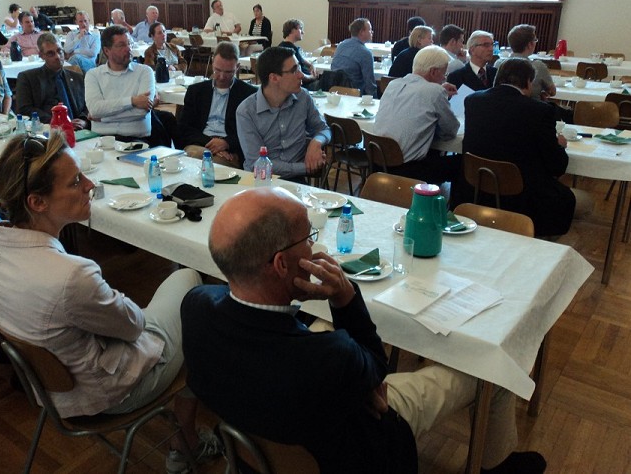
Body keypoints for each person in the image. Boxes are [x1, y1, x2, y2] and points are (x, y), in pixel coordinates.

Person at [181, 187, 548, 474]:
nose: (313, 245)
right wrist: (344, 296)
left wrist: (352, 375)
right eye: (308, 237)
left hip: (256, 443)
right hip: (362, 451)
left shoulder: (196, 304)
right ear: (280, 264)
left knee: (325, 331)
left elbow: (331, 359)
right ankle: (497, 465)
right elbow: (375, 366)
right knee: (492, 369)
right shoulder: (329, 358)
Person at [0, 132, 223, 473]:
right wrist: (110, 298)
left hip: (47, 388)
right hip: (105, 394)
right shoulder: (71, 276)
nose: (90, 185)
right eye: (76, 181)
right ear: (37, 202)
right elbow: (134, 326)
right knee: (194, 290)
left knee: (183, 299)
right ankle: (186, 445)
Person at [458, 58, 576, 237]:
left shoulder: (473, 100)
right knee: (564, 198)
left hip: (478, 187)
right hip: (523, 198)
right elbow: (557, 166)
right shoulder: (540, 111)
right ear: (528, 82)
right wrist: (559, 145)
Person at [236, 46, 330, 181]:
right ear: (274, 78)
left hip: (296, 181)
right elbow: (257, 164)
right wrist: (304, 167)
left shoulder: (303, 97)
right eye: (294, 70)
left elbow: (323, 128)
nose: (301, 75)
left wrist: (316, 142)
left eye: (299, 68)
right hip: (261, 181)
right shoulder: (246, 111)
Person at [372, 45, 460, 184]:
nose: (444, 78)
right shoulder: (435, 92)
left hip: (377, 163)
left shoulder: (393, 84)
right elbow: (450, 131)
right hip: (408, 170)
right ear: (433, 71)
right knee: (462, 164)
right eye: (444, 74)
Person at [85, 25, 173, 146]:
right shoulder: (93, 75)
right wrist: (132, 101)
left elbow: (141, 112)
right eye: (121, 45)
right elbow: (95, 109)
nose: (128, 49)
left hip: (137, 139)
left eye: (129, 43)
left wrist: (103, 118)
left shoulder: (144, 72)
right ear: (106, 51)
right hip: (102, 140)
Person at [178, 42, 257, 168]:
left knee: (210, 164)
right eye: (217, 70)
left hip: (231, 150)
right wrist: (212, 144)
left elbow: (252, 132)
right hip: (200, 144)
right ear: (212, 62)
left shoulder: (248, 94)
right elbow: (185, 128)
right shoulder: (196, 91)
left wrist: (227, 143)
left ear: (237, 67)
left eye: (228, 72)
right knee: (199, 157)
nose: (221, 76)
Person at [15, 32, 89, 128]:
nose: (57, 56)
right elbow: (24, 109)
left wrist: (84, 120)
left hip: (80, 129)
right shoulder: (28, 78)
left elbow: (89, 104)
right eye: (50, 53)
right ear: (41, 55)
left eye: (59, 51)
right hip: (48, 129)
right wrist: (57, 122)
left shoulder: (78, 77)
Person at [497, 24, 556, 101]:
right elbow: (552, 92)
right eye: (535, 40)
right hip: (531, 106)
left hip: (501, 105)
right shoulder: (538, 66)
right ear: (530, 44)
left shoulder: (499, 63)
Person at [331, 18, 377, 97]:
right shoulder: (365, 53)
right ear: (362, 32)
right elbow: (369, 83)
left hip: (333, 90)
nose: (372, 32)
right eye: (370, 29)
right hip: (354, 94)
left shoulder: (341, 45)